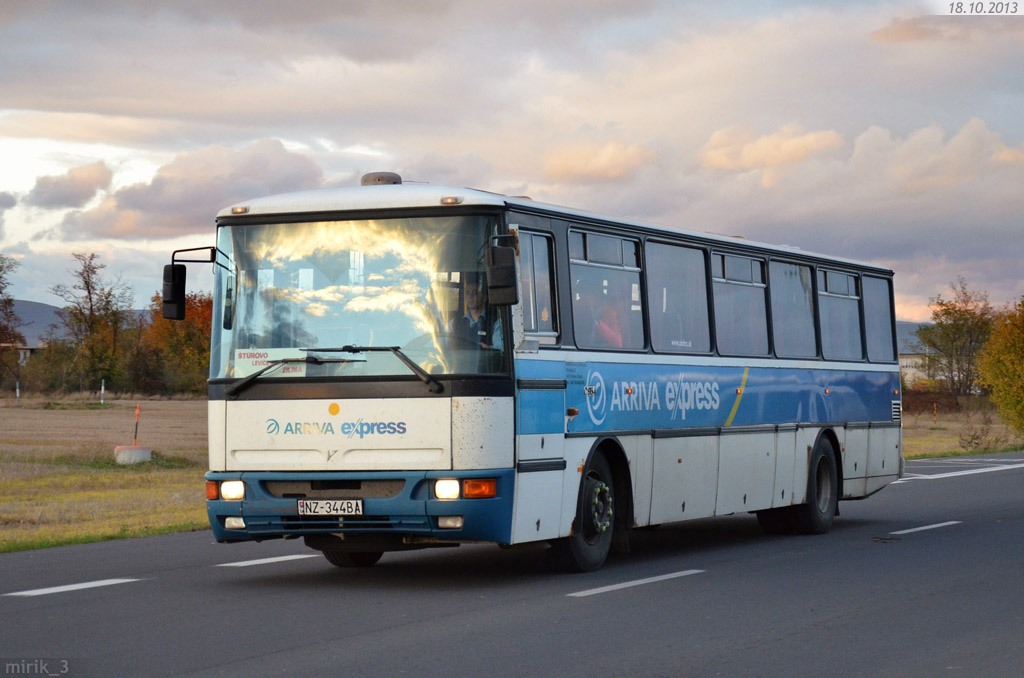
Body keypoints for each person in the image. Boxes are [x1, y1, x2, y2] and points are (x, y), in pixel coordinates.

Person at [451, 273, 503, 350]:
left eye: (475, 293)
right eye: (467, 293)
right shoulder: (455, 322)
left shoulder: (495, 322)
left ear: (484, 298)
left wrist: (488, 349)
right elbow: (441, 342)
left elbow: (500, 349)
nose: (470, 297)